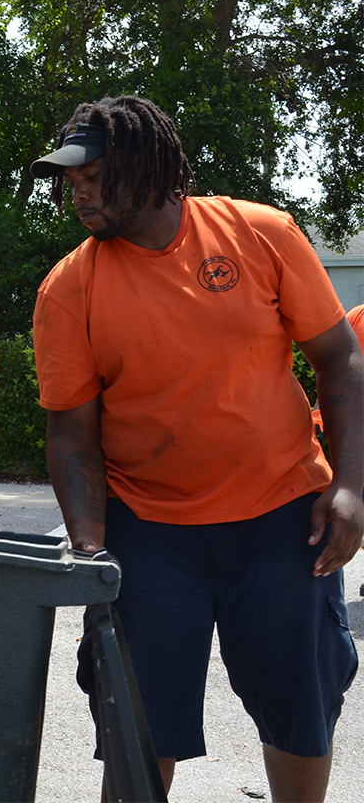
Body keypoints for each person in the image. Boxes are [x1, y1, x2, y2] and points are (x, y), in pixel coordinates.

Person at [30, 95, 364, 802]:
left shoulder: (260, 234)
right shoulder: (69, 288)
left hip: (283, 516)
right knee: (138, 718)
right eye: (71, 180)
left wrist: (351, 486)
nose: (78, 193)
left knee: (301, 704)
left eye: (93, 177)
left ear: (148, 168)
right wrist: (89, 547)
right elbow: (72, 432)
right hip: (148, 531)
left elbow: (340, 359)